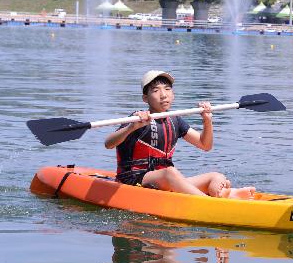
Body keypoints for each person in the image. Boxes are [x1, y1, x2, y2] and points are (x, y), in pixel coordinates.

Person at [104, 70, 255, 198]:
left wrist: (207, 121)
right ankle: (209, 203)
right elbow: (108, 143)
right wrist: (131, 127)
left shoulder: (175, 120)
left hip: (165, 181)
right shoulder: (138, 118)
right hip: (134, 180)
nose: (163, 95)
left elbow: (205, 145)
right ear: (145, 98)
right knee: (170, 172)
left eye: (167, 89)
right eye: (156, 90)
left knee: (216, 177)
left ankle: (226, 195)